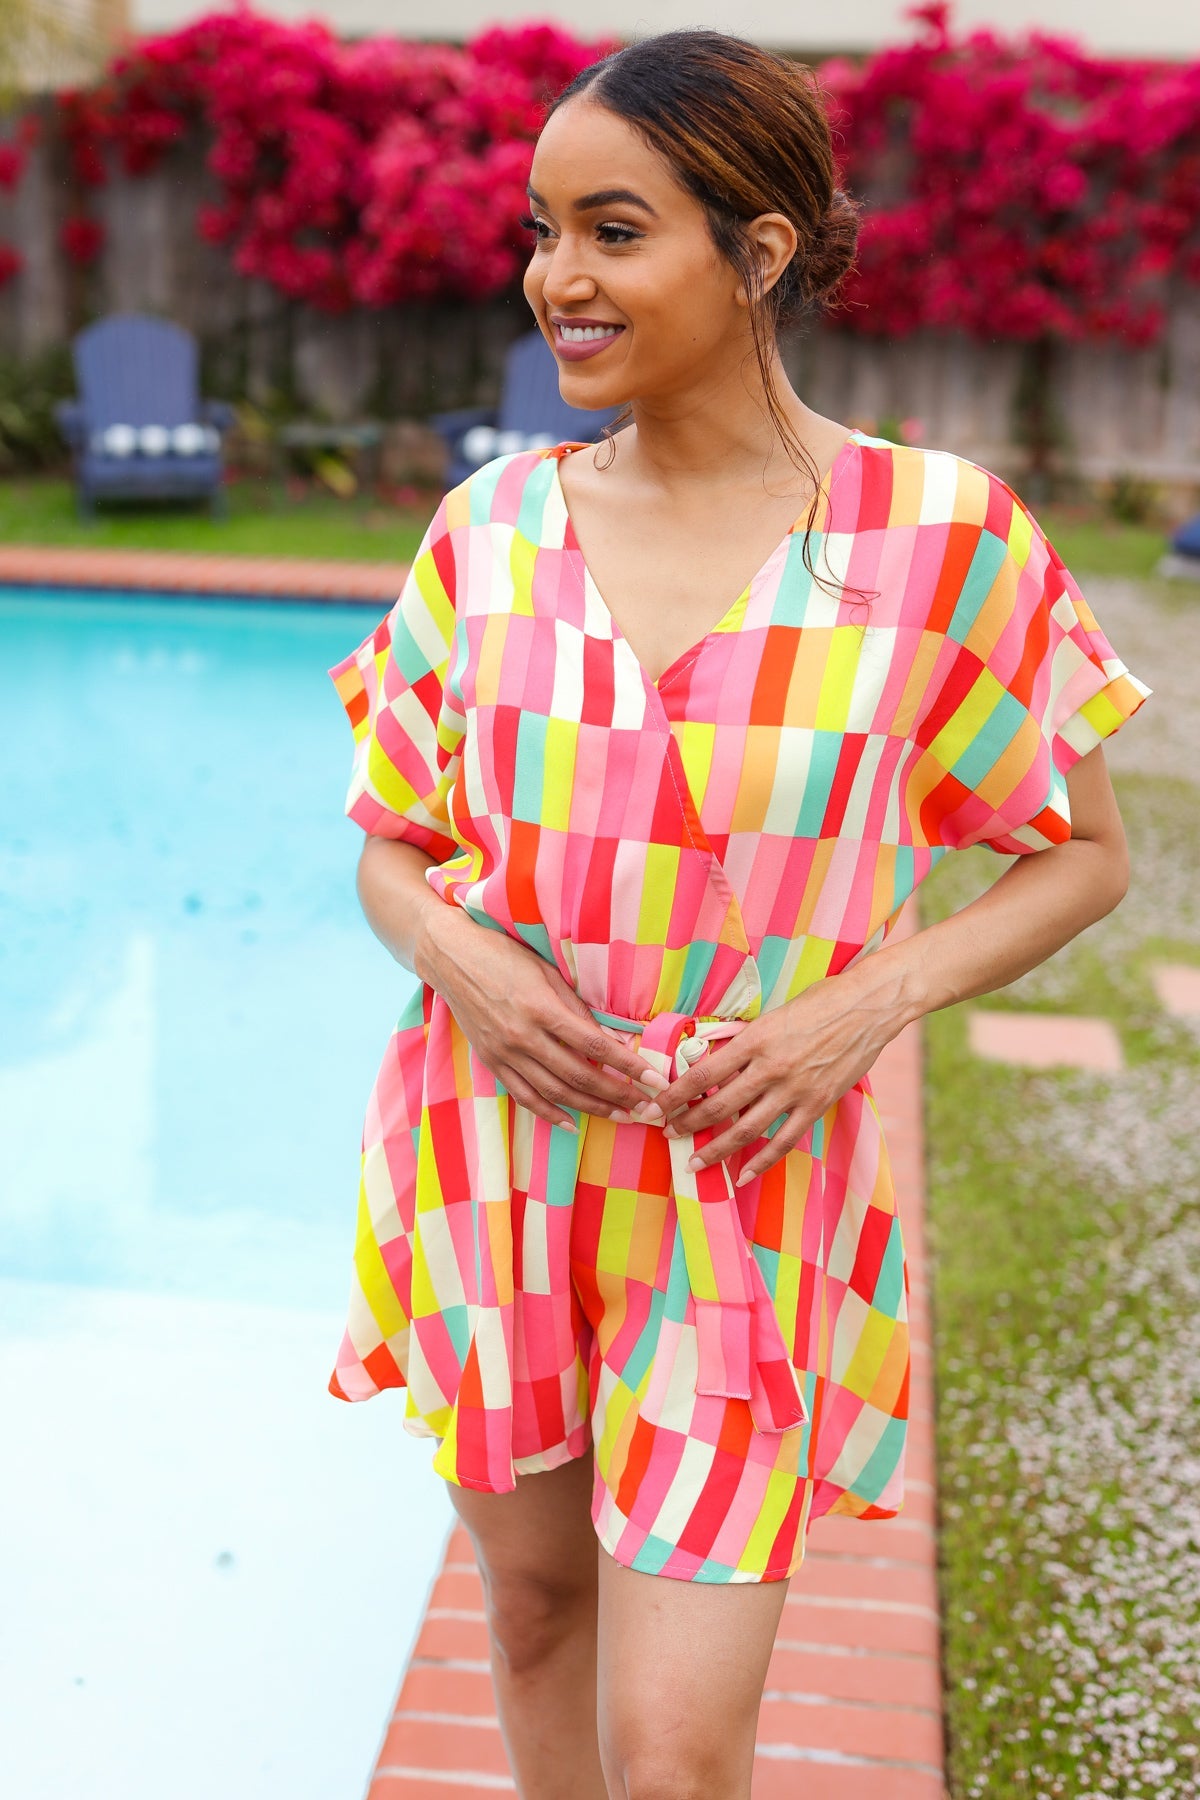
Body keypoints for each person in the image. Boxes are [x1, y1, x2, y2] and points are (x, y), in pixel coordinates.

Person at [326, 29, 1150, 1800]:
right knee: (532, 1617)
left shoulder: (940, 538)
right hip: (496, 1161)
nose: (558, 276)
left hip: (748, 1193)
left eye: (613, 230)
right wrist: (457, 955)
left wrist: (868, 1002)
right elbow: (390, 847)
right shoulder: (488, 530)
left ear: (759, 249)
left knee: (680, 1747)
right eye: (542, 230)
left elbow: (1086, 853)